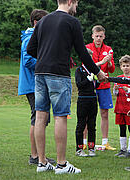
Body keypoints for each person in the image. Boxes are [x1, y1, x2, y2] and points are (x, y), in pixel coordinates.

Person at [26, 0, 106, 174]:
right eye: (76, 3)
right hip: (59, 74)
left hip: (40, 73)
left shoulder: (44, 21)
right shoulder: (72, 22)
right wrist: (97, 72)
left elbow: (31, 49)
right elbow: (82, 52)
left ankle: (42, 163)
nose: (76, 7)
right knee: (60, 117)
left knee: (40, 116)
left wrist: (46, 55)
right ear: (70, 1)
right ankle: (61, 164)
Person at [17, 9, 55, 166]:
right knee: (37, 119)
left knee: (41, 119)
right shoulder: (29, 38)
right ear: (37, 22)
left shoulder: (35, 36)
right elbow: (27, 61)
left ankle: (39, 155)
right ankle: (35, 156)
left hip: (36, 84)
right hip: (32, 85)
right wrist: (46, 62)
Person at [86, 25, 116, 150]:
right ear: (92, 36)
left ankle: (105, 142)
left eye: (101, 36)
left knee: (104, 113)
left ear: (104, 36)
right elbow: (86, 66)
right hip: (90, 86)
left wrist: (108, 62)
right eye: (96, 36)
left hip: (104, 85)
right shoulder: (87, 48)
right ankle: (84, 142)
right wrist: (102, 62)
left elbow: (112, 69)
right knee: (88, 114)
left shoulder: (108, 49)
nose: (98, 38)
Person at [74, 49, 99, 157]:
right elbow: (79, 84)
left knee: (92, 124)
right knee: (81, 124)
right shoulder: (79, 70)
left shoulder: (94, 69)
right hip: (83, 99)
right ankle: (79, 148)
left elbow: (97, 85)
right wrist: (88, 80)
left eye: (90, 57)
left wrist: (95, 80)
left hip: (93, 98)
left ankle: (91, 148)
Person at [113, 55, 130, 158]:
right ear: (121, 67)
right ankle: (122, 149)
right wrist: (116, 89)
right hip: (120, 107)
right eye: (124, 65)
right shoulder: (118, 78)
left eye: (128, 65)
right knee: (121, 128)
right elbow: (115, 94)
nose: (126, 67)